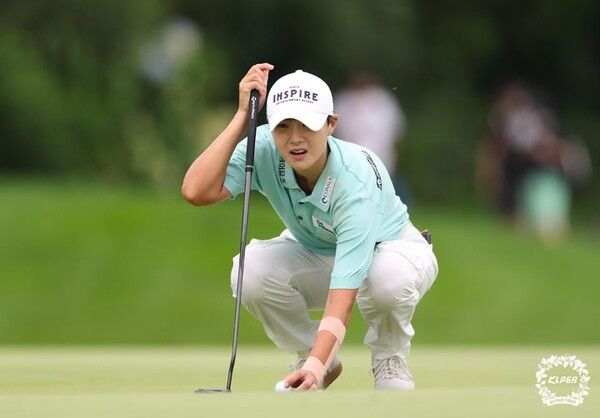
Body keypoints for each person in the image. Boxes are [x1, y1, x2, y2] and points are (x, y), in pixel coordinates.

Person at [182, 63, 438, 391]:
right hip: (317, 249)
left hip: (391, 250)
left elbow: (342, 297)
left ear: (331, 124)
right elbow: (196, 190)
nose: (295, 138)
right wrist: (243, 116)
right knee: (250, 270)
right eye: (283, 126)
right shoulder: (263, 146)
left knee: (388, 279)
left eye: (307, 125)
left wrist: (315, 369)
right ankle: (312, 356)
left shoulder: (354, 181)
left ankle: (389, 357)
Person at [334, 71, 410, 203]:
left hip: (382, 156)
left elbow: (396, 130)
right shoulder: (343, 100)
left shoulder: (383, 99)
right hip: (350, 158)